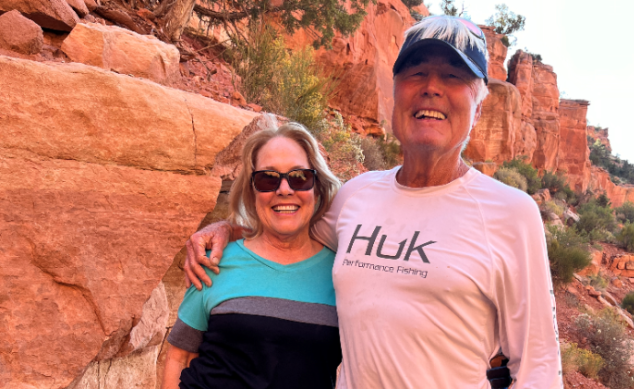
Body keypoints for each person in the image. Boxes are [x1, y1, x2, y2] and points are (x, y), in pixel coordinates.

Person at [184, 16, 563, 388]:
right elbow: (288, 230)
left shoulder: (511, 213)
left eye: (454, 76)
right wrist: (227, 228)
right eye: (416, 72)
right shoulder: (357, 194)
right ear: (395, 93)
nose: (431, 87)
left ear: (478, 108)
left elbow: (539, 367)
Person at [162, 123, 342, 389]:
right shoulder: (216, 260)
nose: (284, 189)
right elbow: (180, 356)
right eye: (268, 178)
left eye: (299, 177)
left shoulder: (342, 273)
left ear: (317, 187)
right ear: (251, 190)